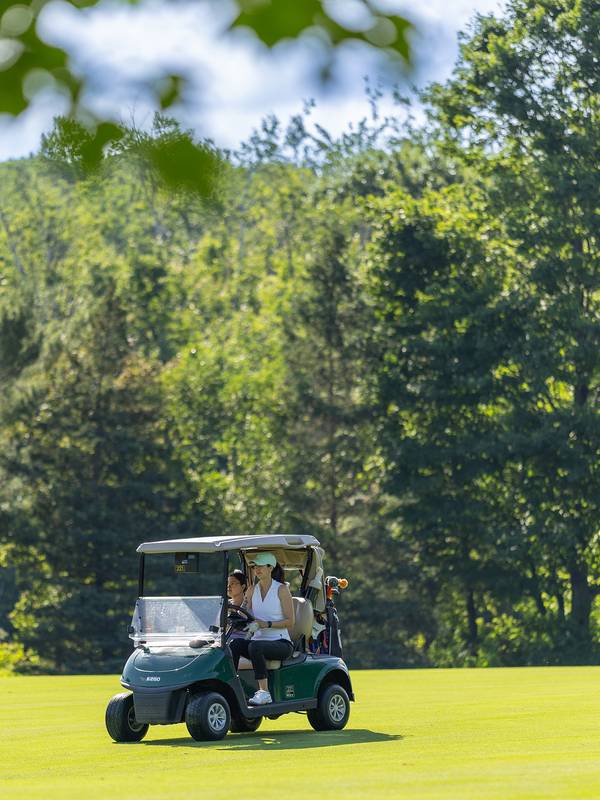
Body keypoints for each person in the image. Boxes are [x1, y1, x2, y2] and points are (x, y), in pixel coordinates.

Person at [229, 552, 295, 705]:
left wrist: (267, 624)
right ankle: (231, 686)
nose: (256, 569)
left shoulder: (282, 590)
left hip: (281, 643)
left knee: (254, 646)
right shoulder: (252, 590)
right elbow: (246, 613)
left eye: (260, 566)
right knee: (235, 644)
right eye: (254, 567)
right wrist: (235, 616)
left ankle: (264, 693)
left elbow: (290, 621)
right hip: (258, 642)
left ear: (270, 567)